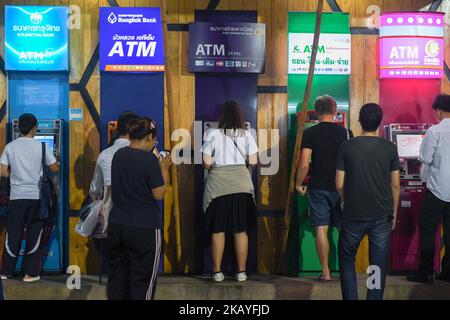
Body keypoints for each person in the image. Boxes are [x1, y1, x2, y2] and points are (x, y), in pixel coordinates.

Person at [335, 103, 400, 300]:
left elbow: (339, 183)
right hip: (382, 215)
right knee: (377, 264)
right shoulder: (390, 147)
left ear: (359, 121)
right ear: (380, 123)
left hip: (353, 214)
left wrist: (346, 200)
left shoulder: (347, 146)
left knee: (347, 260)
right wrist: (394, 214)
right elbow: (395, 184)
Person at [106, 117, 171, 300]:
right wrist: (164, 169)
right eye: (155, 139)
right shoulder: (149, 160)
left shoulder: (118, 155)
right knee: (143, 281)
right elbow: (159, 194)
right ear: (149, 137)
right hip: (145, 227)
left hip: (118, 223)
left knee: (118, 278)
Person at [295, 95, 352, 282]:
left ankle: (326, 271)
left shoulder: (310, 134)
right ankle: (346, 271)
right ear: (335, 111)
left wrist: (298, 184)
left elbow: (304, 164)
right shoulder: (346, 133)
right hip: (341, 186)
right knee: (345, 229)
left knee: (321, 229)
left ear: (316, 112)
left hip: (318, 186)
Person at [201, 101, 258, 282]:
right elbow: (254, 161)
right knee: (240, 230)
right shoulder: (247, 135)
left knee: (218, 230)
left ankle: (217, 272)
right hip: (242, 185)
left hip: (219, 186)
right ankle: (241, 272)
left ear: (222, 116)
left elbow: (206, 163)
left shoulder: (213, 134)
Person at [0, 114, 59, 282]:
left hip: (16, 198)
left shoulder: (10, 147)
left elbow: (3, 171)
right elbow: (54, 168)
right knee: (35, 235)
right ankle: (29, 274)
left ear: (19, 129)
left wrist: (17, 175)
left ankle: (6, 271)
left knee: (13, 234)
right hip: (36, 198)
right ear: (34, 128)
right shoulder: (41, 147)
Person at [407, 94, 450, 284]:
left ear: (439, 111)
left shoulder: (435, 131)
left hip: (437, 191)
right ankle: (448, 272)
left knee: (428, 232)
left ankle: (426, 272)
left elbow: (424, 158)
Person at [90, 111, 139, 234]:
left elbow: (95, 190)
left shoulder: (105, 154)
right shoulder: (143, 155)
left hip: (111, 220)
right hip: (138, 220)